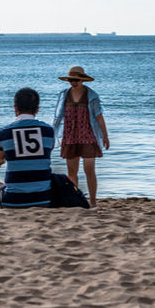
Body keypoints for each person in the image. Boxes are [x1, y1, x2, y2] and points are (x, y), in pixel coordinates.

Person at [53, 66, 109, 208]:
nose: (73, 82)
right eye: (71, 80)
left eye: (76, 80)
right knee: (72, 172)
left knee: (89, 170)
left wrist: (105, 136)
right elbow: (58, 117)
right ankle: (74, 201)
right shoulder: (64, 94)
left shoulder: (91, 95)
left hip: (87, 136)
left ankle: (93, 201)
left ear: (82, 80)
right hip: (70, 135)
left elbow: (99, 116)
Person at [0, 88, 55, 208]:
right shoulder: (48, 131)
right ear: (37, 109)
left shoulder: (3, 132)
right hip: (44, 200)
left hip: (12, 201)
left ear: (15, 108)